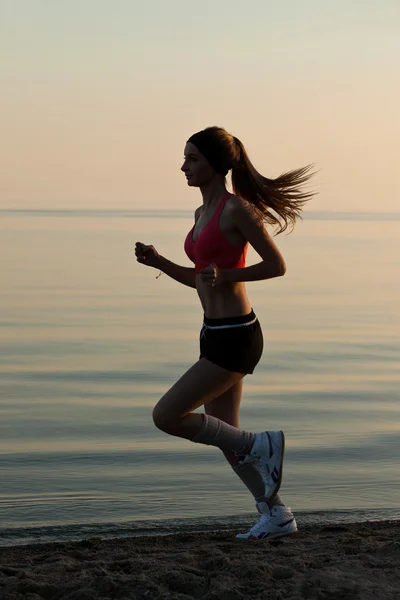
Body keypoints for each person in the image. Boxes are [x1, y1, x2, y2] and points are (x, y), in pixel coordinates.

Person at [135, 126, 315, 540]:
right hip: (213, 331)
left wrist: (228, 274)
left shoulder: (237, 211)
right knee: (226, 439)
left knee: (166, 416)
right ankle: (276, 514)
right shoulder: (200, 215)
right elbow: (202, 279)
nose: (183, 166)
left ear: (215, 166)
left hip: (237, 335)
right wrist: (160, 262)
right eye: (184, 158)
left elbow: (277, 265)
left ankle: (261, 443)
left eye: (192, 159)